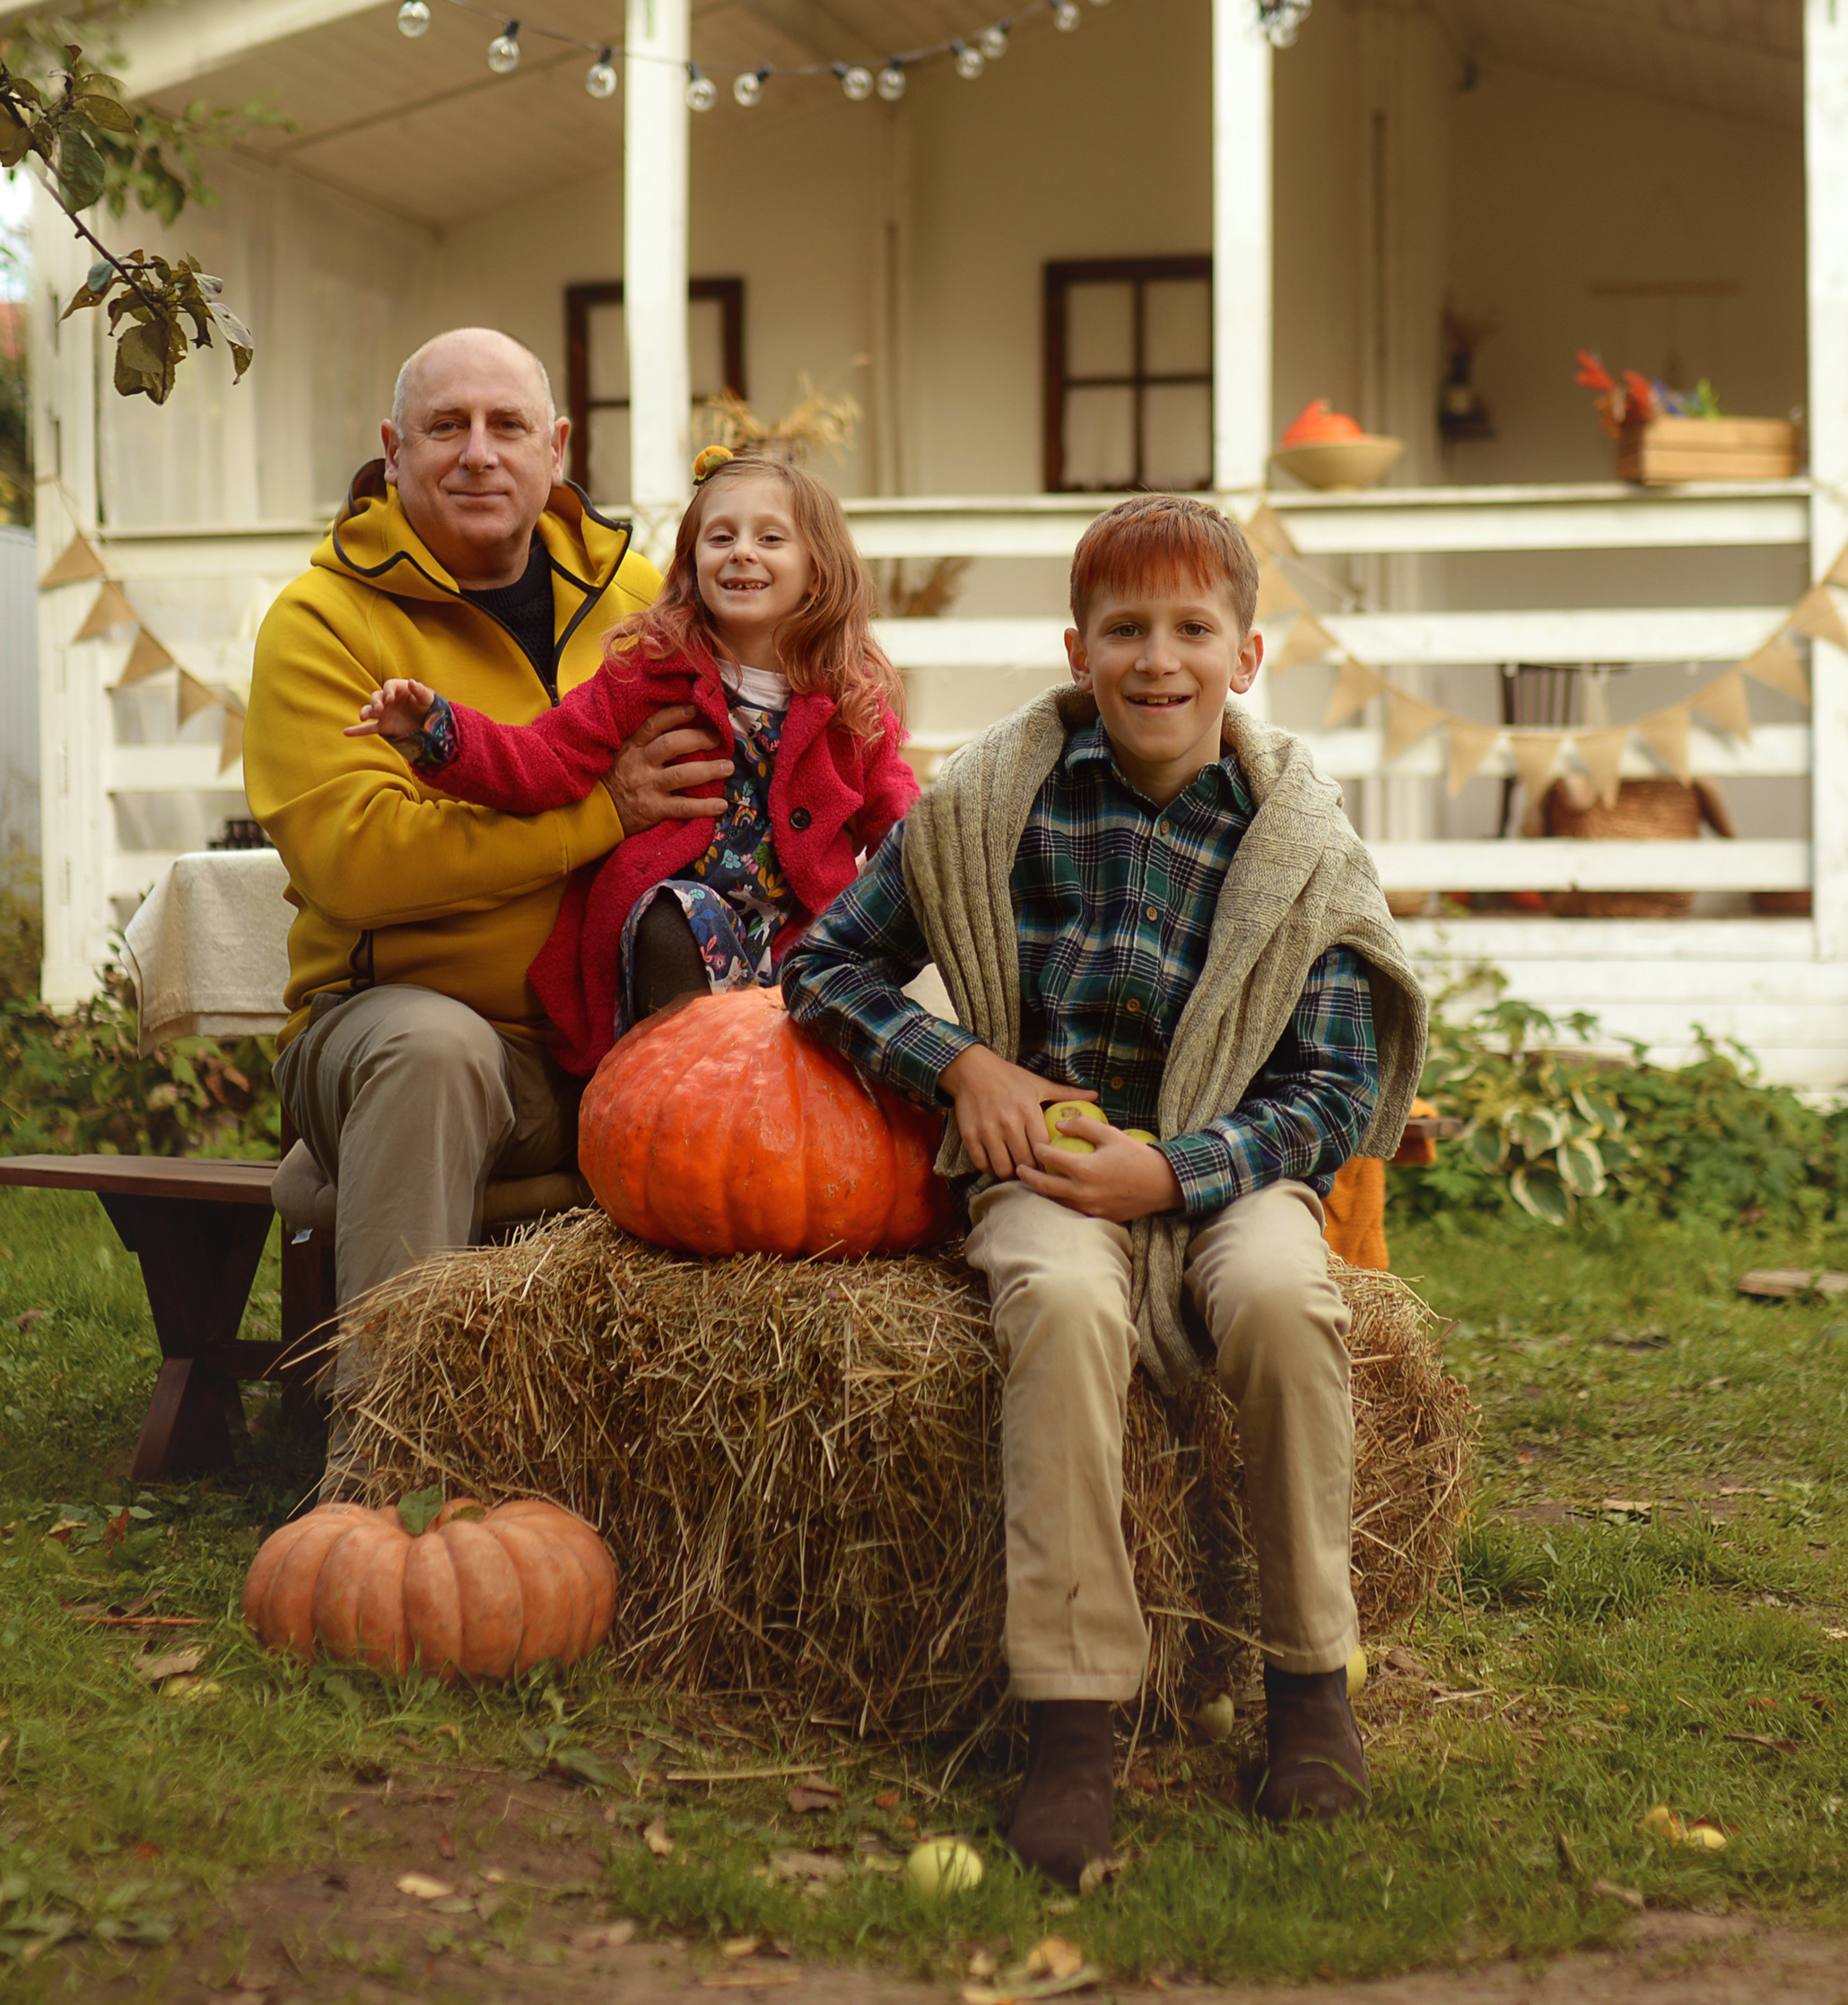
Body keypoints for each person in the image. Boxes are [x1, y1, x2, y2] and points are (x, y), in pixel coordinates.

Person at [783, 493, 1428, 1887]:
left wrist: (1181, 1171)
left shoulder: (1302, 845)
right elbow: (823, 969)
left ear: (1245, 656)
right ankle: (1074, 1719)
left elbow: (1326, 1098)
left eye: (1193, 628)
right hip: (1054, 1156)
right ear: (1077, 649)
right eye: (1126, 629)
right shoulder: (987, 807)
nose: (1158, 660)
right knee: (1063, 1308)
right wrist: (961, 1067)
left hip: (1225, 1156)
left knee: (1277, 1296)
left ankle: (1312, 1685)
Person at [245, 327, 731, 1483]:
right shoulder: (324, 623)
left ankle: (676, 1473)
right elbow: (359, 862)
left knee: (755, 1071)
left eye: (507, 426)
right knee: (432, 1049)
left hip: (599, 1038)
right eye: (444, 427)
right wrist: (597, 815)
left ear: (556, 448)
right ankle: (388, 1472)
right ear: (392, 451)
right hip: (390, 1028)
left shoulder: (639, 599)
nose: (477, 454)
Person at [345, 447, 919, 1075]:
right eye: (720, 536)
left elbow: (897, 814)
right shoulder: (652, 668)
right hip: (677, 939)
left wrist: (940, 868)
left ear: (818, 570)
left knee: (842, 983)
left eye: (770, 538)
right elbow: (548, 757)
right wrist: (439, 732)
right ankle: (680, 1091)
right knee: (673, 916)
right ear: (692, 562)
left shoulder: (851, 696)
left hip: (800, 937)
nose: (741, 552)